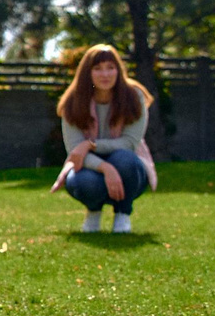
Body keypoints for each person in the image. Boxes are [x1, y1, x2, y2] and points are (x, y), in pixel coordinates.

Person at [51, 43, 160, 234]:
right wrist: (105, 167)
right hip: (88, 166)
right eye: (98, 69)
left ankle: (123, 214)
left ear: (119, 70)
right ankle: (93, 211)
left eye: (111, 68)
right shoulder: (73, 101)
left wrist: (90, 145)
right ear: (88, 73)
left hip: (128, 166)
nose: (105, 74)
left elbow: (129, 143)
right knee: (85, 181)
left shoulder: (134, 96)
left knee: (124, 160)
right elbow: (75, 152)